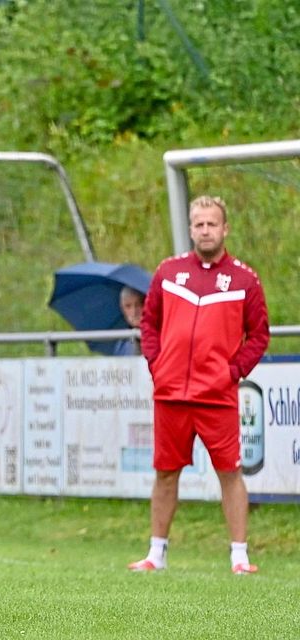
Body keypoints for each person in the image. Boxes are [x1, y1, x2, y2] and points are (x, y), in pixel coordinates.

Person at [128, 195, 269, 575]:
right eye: (198, 224)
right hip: (171, 394)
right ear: (190, 229)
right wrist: (157, 365)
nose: (205, 230)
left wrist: (232, 371)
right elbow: (149, 323)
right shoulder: (169, 272)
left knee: (230, 473)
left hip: (217, 397)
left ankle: (239, 557)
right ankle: (156, 554)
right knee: (165, 473)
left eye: (212, 224)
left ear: (225, 229)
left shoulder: (244, 279)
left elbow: (259, 335)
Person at [110, 286, 145, 356]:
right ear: (122, 309)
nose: (134, 312)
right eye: (128, 306)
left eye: (138, 305)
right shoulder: (122, 344)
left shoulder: (160, 335)